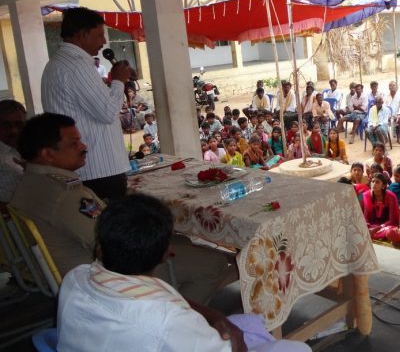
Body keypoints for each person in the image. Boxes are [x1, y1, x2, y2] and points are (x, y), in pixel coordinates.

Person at [56, 193, 312, 352]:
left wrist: (215, 316)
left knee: (247, 323)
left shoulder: (75, 279)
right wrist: (240, 351)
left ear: (101, 245)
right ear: (166, 255)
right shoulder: (165, 322)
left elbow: (171, 311)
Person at [10, 113, 233, 303]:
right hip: (105, 277)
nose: (83, 147)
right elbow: (117, 244)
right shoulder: (63, 194)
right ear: (47, 154)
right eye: (73, 143)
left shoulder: (29, 182)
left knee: (182, 241)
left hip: (71, 268)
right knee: (215, 262)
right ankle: (169, 317)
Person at [41, 7, 134, 201]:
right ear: (83, 34)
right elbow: (108, 113)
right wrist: (118, 81)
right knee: (109, 227)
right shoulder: (77, 65)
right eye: (99, 35)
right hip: (98, 169)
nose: (103, 42)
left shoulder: (58, 63)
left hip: (86, 167)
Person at [0, 99, 26, 206]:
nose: (14, 130)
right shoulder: (3, 160)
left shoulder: (29, 147)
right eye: (6, 125)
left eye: (19, 125)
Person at [362, 173, 400, 241]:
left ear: (383, 186)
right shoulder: (366, 195)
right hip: (372, 225)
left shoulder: (391, 196)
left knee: (390, 232)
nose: (374, 184)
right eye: (373, 181)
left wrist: (377, 228)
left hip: (386, 226)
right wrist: (366, 226)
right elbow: (366, 216)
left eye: (377, 182)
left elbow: (393, 220)